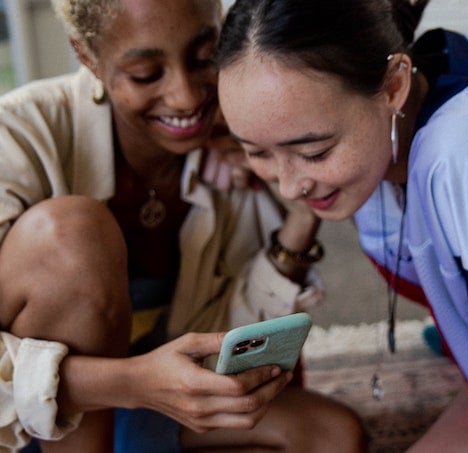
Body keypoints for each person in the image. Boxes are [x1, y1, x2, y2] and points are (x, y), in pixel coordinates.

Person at [216, 0, 468, 451]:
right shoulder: (435, 62)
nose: (289, 185)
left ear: (394, 85)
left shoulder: (467, 164)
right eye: (257, 151)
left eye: (315, 152)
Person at [0, 0, 368, 452]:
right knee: (73, 235)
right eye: (145, 73)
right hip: (21, 422)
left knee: (333, 437)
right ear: (87, 58)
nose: (188, 97)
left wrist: (298, 210)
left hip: (147, 411)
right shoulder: (16, 138)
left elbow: (224, 345)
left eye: (203, 59)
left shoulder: (243, 145)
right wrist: (132, 382)